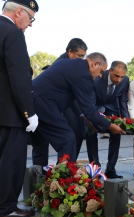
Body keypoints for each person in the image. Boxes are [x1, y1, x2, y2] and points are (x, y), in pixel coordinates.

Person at [29, 53, 126, 170]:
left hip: (31, 101)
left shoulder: (71, 63)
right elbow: (89, 109)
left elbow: (73, 99)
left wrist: (84, 117)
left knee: (40, 145)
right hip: (43, 104)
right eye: (101, 71)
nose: (101, 75)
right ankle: (63, 181)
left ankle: (37, 180)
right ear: (95, 64)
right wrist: (110, 126)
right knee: (68, 139)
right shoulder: (84, 74)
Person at [0, 0, 39, 217]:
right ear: (19, 12)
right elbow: (19, 77)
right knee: (10, 162)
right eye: (31, 18)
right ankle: (5, 208)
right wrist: (29, 112)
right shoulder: (12, 33)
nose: (30, 24)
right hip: (9, 113)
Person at [32, 38, 88, 169]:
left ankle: (40, 174)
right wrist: (83, 114)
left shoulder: (67, 63)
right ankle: (64, 172)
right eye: (80, 56)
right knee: (69, 136)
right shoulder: (64, 64)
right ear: (70, 52)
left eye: (84, 57)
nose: (82, 60)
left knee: (41, 141)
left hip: (41, 101)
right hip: (47, 103)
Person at [85, 61, 129, 179]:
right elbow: (90, 104)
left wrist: (127, 122)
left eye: (122, 77)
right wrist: (92, 120)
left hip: (111, 108)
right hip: (94, 107)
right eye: (116, 76)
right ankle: (96, 168)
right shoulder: (97, 78)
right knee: (90, 131)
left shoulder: (125, 81)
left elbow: (123, 102)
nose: (119, 80)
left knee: (116, 131)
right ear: (110, 71)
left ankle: (111, 169)